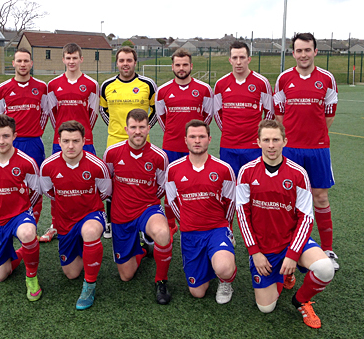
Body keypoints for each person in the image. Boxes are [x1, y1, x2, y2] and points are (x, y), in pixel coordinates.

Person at [235, 120, 334, 329]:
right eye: (266, 140)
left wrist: (292, 253)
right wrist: (254, 252)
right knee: (266, 308)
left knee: (325, 268)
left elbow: (306, 217)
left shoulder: (298, 173)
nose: (271, 145)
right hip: (264, 248)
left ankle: (301, 300)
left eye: (276, 140)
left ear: (284, 141)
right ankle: (284, 273)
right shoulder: (246, 172)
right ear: (258, 142)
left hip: (291, 241)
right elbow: (242, 215)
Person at [273, 33, 340, 270]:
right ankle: (287, 247)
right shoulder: (283, 79)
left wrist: (315, 135)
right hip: (290, 149)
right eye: (299, 50)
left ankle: (328, 249)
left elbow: (329, 114)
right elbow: (279, 114)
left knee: (320, 197)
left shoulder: (327, 79)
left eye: (307, 50)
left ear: (315, 52)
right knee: (288, 199)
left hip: (318, 149)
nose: (303, 55)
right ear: (293, 53)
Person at [103, 109, 173, 305]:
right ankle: (142, 249)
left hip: (147, 209)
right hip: (120, 213)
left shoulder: (159, 156)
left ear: (148, 128)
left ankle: (161, 280)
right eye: (133, 127)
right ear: (126, 129)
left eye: (142, 127)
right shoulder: (112, 152)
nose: (138, 131)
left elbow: (161, 187)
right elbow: (106, 183)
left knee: (162, 233)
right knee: (126, 275)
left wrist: (146, 199)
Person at [40, 120, 112, 310]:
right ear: (59, 141)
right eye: (66, 141)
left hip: (91, 214)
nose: (70, 146)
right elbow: (49, 192)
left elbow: (104, 192)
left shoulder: (97, 165)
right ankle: (86, 251)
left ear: (83, 141)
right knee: (71, 274)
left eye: (75, 141)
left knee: (89, 232)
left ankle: (90, 285)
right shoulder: (48, 166)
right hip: (65, 222)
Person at [165, 120, 238, 304]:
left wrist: (227, 227)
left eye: (201, 136)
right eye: (193, 137)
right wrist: (186, 222)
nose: (197, 140)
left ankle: (225, 280)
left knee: (224, 268)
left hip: (216, 228)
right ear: (186, 140)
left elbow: (230, 203)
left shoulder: (224, 169)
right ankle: (209, 261)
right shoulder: (173, 170)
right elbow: (173, 202)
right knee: (197, 292)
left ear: (209, 139)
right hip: (190, 232)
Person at [0, 114, 43, 301]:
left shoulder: (27, 162)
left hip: (19, 215)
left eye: (5, 136)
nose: (1, 141)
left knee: (27, 233)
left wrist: (23, 208)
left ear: (14, 136)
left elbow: (35, 191)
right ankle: (20, 252)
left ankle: (32, 278)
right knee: (0, 276)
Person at [41, 43, 100, 243]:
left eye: (75, 58)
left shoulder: (92, 84)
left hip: (86, 141)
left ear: (81, 59)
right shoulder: (53, 85)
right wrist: (63, 137)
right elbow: (51, 113)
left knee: (87, 181)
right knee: (58, 183)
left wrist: (82, 136)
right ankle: (56, 224)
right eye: (68, 58)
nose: (71, 61)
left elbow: (93, 114)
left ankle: (90, 221)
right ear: (63, 59)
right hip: (62, 143)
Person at [99, 46, 157, 238]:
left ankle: (143, 219)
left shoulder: (147, 84)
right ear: (117, 63)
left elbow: (156, 111)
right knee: (113, 183)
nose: (125, 64)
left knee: (142, 181)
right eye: (122, 60)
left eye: (129, 60)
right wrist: (120, 130)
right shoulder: (106, 85)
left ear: (135, 62)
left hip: (142, 143)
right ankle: (110, 221)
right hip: (115, 140)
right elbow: (102, 110)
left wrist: (142, 131)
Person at [155, 48, 213, 237]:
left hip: (195, 148)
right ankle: (171, 224)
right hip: (171, 146)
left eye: (185, 65)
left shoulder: (204, 89)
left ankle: (198, 221)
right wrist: (175, 133)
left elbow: (207, 116)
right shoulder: (162, 91)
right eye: (178, 65)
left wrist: (194, 138)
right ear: (172, 66)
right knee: (169, 186)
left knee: (198, 186)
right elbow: (161, 117)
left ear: (191, 66)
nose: (181, 68)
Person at [0, 47, 49, 224]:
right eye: (19, 61)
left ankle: (32, 222)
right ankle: (11, 220)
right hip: (12, 145)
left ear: (31, 63)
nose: (23, 64)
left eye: (26, 61)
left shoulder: (41, 87)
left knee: (35, 185)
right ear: (13, 63)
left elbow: (46, 113)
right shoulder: (2, 89)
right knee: (11, 183)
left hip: (34, 143)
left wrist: (35, 131)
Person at [213, 41, 274, 177]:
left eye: (242, 57)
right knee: (230, 186)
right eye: (235, 58)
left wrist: (260, 133)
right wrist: (228, 130)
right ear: (230, 60)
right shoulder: (220, 84)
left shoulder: (261, 82)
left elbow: (270, 111)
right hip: (228, 146)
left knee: (254, 185)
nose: (238, 62)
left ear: (249, 59)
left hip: (253, 146)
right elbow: (217, 112)